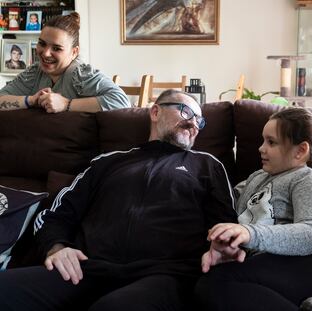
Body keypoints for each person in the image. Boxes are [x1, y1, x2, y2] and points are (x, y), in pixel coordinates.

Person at [0, 89, 237, 311]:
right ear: (155, 112)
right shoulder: (108, 161)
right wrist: (56, 248)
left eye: (200, 120)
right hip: (84, 268)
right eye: (186, 112)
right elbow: (56, 214)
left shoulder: (207, 165)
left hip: (163, 275)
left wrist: (223, 247)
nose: (194, 123)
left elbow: (226, 224)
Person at [195, 108, 312, 311]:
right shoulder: (256, 178)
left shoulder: (308, 179)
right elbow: (226, 204)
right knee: (209, 283)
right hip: (273, 265)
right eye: (262, 141)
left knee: (216, 285)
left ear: (300, 151)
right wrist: (227, 244)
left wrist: (249, 233)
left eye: (271, 142)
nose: (261, 148)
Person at [0, 12, 129, 113]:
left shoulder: (80, 74)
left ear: (74, 52)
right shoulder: (34, 72)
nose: (45, 53)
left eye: (56, 48)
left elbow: (121, 101)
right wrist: (31, 100)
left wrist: (66, 104)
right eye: (42, 44)